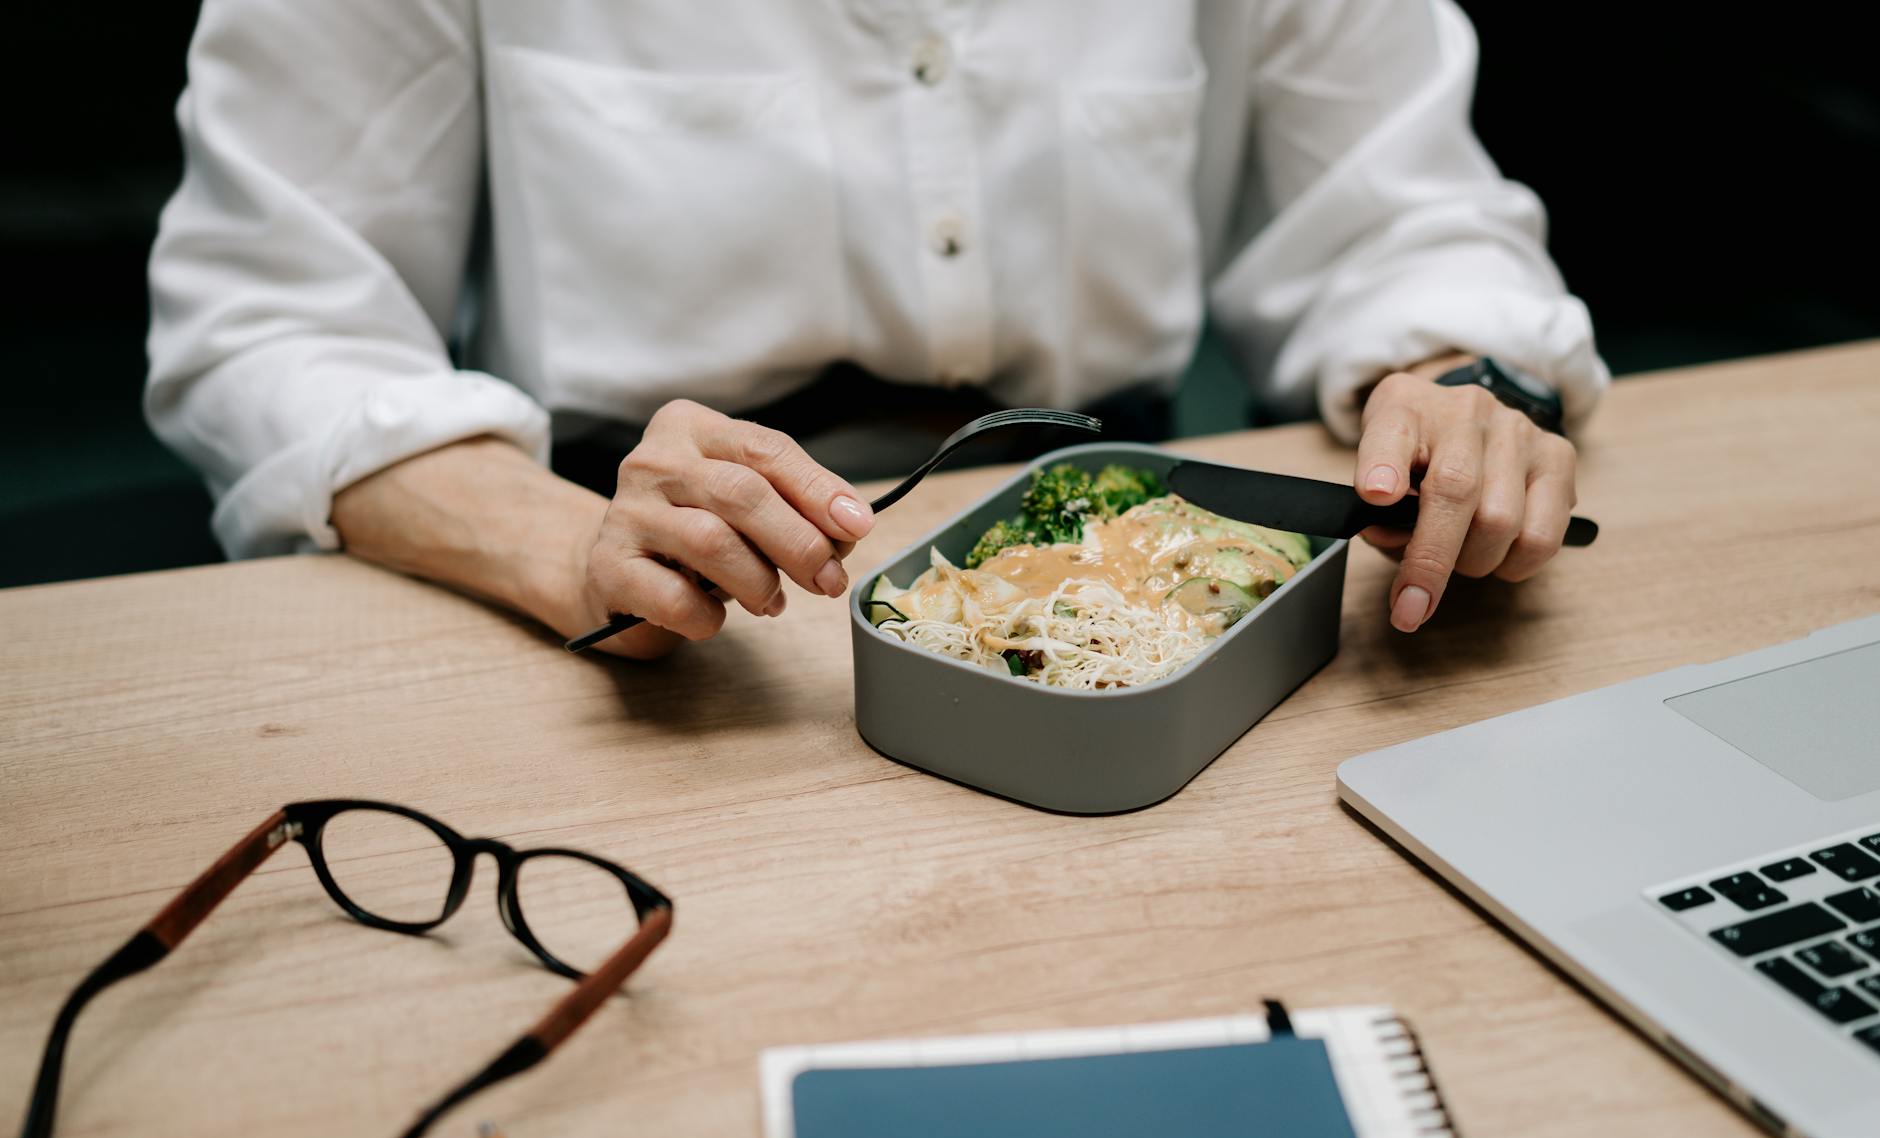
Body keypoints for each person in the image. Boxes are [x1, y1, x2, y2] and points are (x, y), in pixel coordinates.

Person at [146, 0, 1606, 659]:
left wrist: (1459, 384)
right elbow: (261, 321)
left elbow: (1409, 214)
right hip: (658, 610)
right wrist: (563, 549)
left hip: (1140, 587)